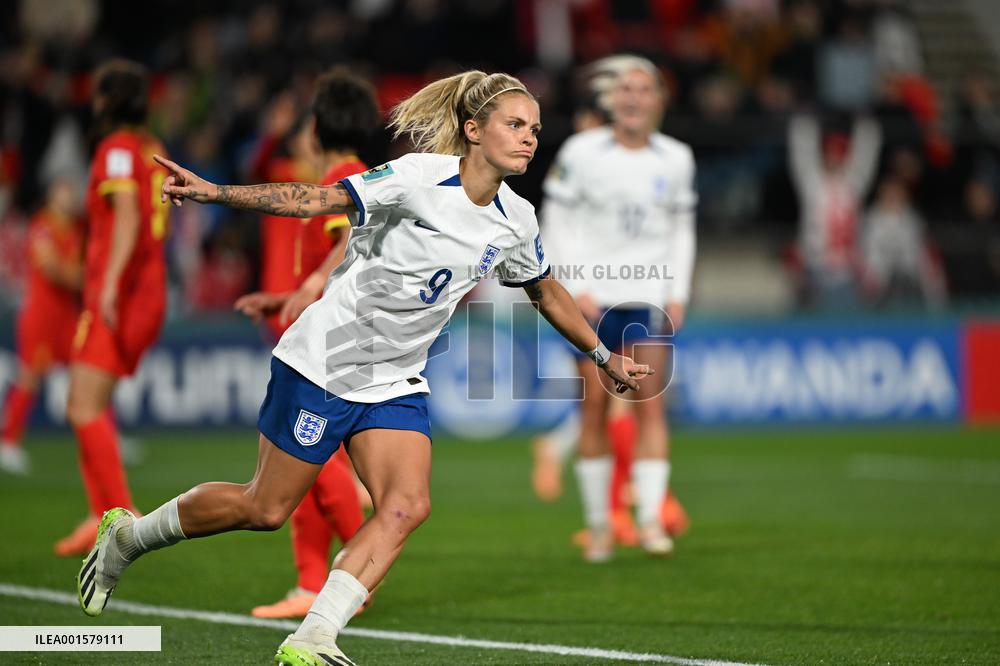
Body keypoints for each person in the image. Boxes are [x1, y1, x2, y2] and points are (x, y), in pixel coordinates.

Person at [75, 70, 652, 665]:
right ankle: (129, 537)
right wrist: (219, 193)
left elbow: (545, 290)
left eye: (534, 127)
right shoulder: (418, 178)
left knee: (407, 505)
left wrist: (602, 355)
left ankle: (314, 638)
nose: (529, 137)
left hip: (395, 378)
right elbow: (315, 200)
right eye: (515, 124)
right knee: (264, 508)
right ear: (474, 130)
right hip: (324, 362)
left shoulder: (516, 219)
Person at [234, 69, 380, 619]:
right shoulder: (362, 173)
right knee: (309, 463)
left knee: (313, 459)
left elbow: (348, 243)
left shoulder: (343, 177)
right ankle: (310, 582)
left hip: (333, 337)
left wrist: (310, 284)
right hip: (338, 332)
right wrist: (286, 296)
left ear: (317, 127)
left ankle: (358, 574)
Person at [541, 55, 697, 562]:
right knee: (593, 409)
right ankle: (600, 526)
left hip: (649, 296)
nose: (633, 98)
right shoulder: (582, 151)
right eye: (625, 89)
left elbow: (681, 229)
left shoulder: (676, 158)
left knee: (651, 405)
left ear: (659, 100)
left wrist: (678, 292)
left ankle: (649, 521)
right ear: (611, 99)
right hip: (593, 299)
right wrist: (575, 286)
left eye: (643, 89)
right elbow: (556, 221)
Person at [54, 59, 170, 557]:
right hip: (147, 288)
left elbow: (126, 214)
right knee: (89, 405)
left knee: (82, 406)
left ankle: (122, 515)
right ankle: (98, 512)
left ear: (105, 100)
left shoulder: (117, 149)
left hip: (121, 291)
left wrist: (108, 284)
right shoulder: (151, 149)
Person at [0, 178, 84, 475]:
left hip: (66, 315)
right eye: (64, 192)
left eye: (71, 193)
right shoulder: (41, 226)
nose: (69, 198)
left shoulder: (74, 229)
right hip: (41, 314)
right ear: (51, 197)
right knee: (30, 375)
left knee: (91, 370)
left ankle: (105, 437)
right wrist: (86, 278)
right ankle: (8, 442)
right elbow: (52, 268)